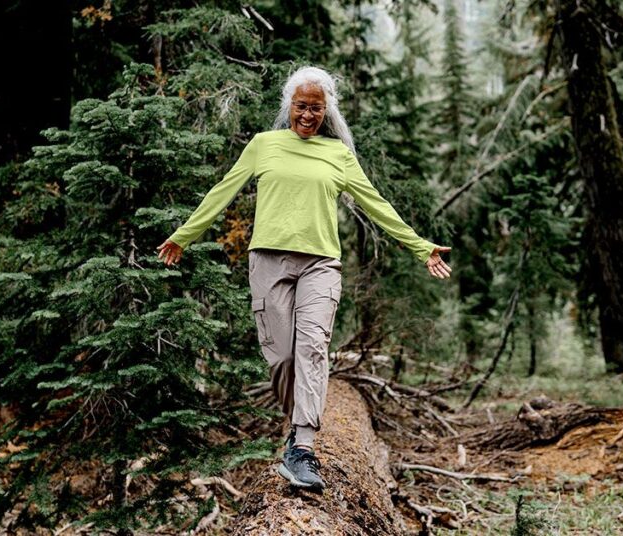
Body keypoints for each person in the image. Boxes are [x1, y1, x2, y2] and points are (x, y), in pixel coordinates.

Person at [157, 66, 451, 491]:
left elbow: (377, 205)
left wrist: (421, 247)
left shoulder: (338, 155)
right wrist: (185, 235)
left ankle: (303, 449)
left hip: (320, 265)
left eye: (316, 108)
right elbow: (223, 189)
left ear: (326, 110)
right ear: (288, 107)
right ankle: (296, 427)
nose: (308, 115)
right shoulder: (264, 146)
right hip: (269, 262)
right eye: (301, 106)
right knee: (282, 357)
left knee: (313, 347)